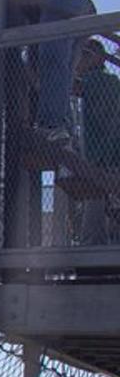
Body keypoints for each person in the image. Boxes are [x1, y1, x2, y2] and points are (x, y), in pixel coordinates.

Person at [8, 0, 96, 141]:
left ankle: (51, 125)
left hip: (62, 3)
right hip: (83, 7)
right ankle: (65, 129)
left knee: (52, 64)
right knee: (64, 73)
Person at [76, 39, 120, 243]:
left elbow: (73, 87)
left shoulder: (96, 80)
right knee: (107, 209)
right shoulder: (111, 82)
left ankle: (93, 249)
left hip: (103, 158)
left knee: (94, 214)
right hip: (108, 156)